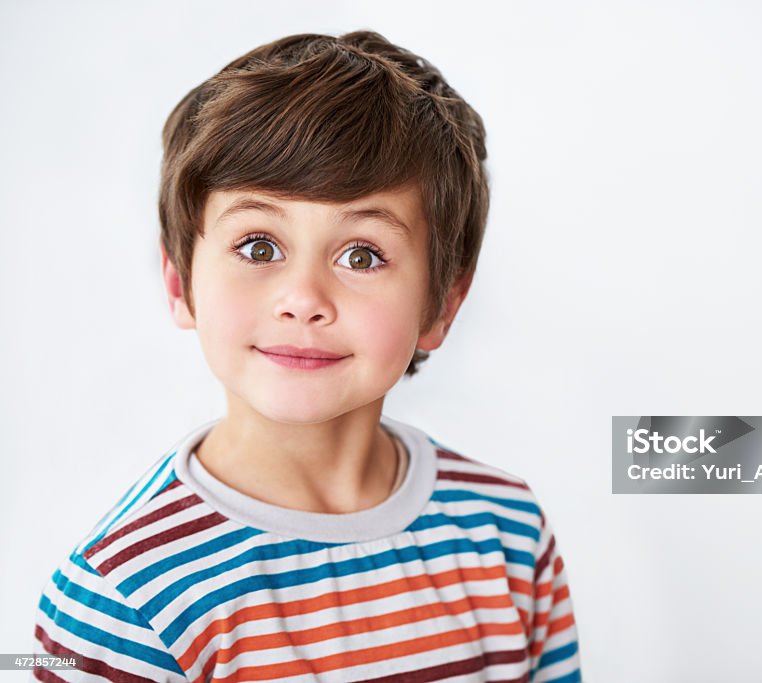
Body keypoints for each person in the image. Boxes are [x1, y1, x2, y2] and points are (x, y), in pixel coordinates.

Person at [32, 30, 581, 682]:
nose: (303, 298)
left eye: (362, 255)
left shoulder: (510, 533)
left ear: (442, 304)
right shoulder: (121, 596)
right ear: (180, 281)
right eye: (260, 246)